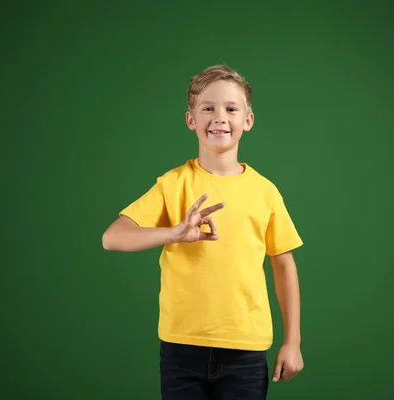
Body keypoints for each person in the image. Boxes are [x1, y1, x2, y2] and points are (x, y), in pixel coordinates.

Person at [102, 64, 304, 399]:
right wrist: (174, 234)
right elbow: (112, 238)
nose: (220, 117)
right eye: (207, 108)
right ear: (191, 120)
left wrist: (292, 342)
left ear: (248, 121)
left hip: (246, 349)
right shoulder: (172, 185)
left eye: (231, 109)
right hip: (182, 347)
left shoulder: (265, 192)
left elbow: (284, 266)